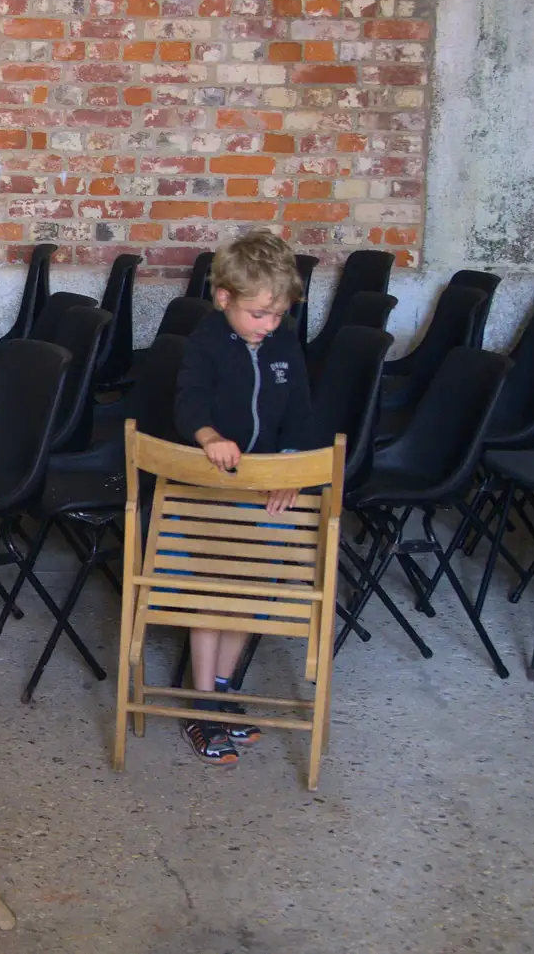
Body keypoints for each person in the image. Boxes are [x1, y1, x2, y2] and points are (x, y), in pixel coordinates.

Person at [171, 230, 316, 765]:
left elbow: (301, 411)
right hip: (212, 489)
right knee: (211, 594)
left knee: (250, 592)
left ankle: (226, 688)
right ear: (225, 298)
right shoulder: (206, 341)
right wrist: (209, 438)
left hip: (265, 490)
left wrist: (293, 468)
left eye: (277, 315)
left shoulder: (283, 342)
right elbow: (188, 403)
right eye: (259, 314)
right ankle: (202, 700)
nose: (269, 325)